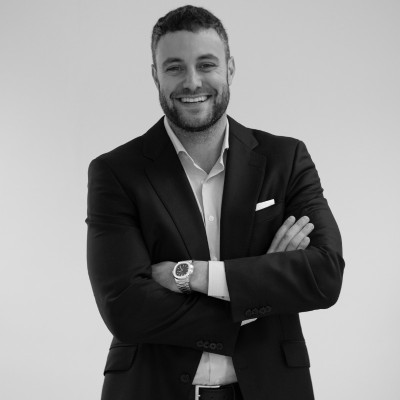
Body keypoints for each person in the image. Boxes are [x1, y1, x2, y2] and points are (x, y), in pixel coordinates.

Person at [86, 5, 344, 400]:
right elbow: (126, 307)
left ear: (230, 68)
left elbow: (324, 275)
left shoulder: (285, 158)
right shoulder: (117, 172)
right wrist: (260, 289)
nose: (192, 82)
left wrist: (191, 275)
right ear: (155, 76)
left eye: (206, 65)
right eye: (174, 68)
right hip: (151, 388)